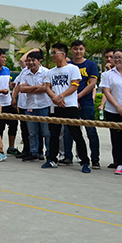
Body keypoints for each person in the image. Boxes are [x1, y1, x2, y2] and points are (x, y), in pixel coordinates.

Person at [41, 43, 89, 172]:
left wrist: (60, 96)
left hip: (70, 105)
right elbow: (47, 87)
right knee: (54, 134)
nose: (52, 56)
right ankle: (52, 159)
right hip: (55, 106)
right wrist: (55, 99)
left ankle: (85, 162)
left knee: (76, 134)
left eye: (54, 53)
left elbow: (74, 86)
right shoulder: (51, 71)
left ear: (63, 54)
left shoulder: (72, 69)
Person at [69, 40, 100, 168]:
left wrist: (79, 96)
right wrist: (72, 98)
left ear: (84, 50)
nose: (78, 52)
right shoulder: (68, 65)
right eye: (75, 49)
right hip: (70, 102)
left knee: (91, 131)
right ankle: (69, 156)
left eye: (81, 49)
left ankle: (95, 159)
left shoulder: (91, 64)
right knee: (71, 131)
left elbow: (92, 83)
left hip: (86, 102)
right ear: (71, 50)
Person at [17, 51, 50, 162]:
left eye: (33, 60)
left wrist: (30, 88)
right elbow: (22, 89)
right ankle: (33, 152)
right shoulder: (25, 73)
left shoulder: (46, 72)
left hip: (44, 105)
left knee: (46, 132)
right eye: (28, 60)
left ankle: (49, 153)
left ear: (39, 61)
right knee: (32, 132)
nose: (30, 63)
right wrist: (37, 87)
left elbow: (45, 88)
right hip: (30, 106)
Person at [0, 48, 17, 154]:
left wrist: (11, 85)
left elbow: (8, 82)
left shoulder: (7, 70)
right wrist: (1, 91)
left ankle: (11, 147)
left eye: (5, 57)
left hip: (8, 102)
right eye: (2, 57)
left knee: (14, 124)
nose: (4, 59)